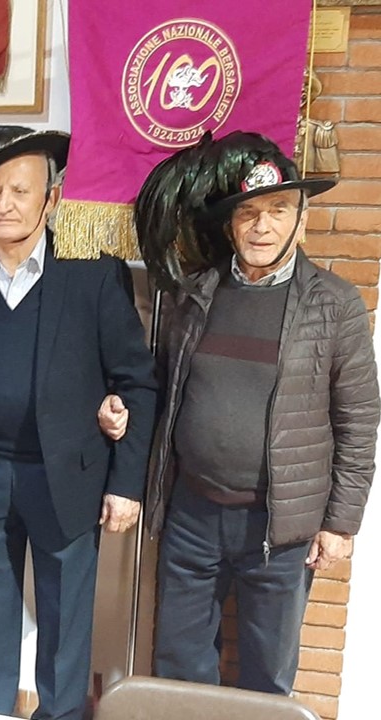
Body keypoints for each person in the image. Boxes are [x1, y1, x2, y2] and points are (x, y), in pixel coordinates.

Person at [0, 123, 158, 718]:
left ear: (50, 199)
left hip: (66, 479)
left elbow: (136, 381)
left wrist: (126, 484)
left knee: (64, 626)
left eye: (20, 191)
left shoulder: (92, 274)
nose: (4, 204)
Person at [129, 131, 379, 694]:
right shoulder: (196, 294)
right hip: (192, 515)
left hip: (280, 526)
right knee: (179, 667)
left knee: (267, 674)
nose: (262, 226)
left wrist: (340, 523)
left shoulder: (334, 304)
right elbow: (166, 391)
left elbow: (359, 420)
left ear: (300, 221)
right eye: (248, 213)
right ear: (230, 225)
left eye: (277, 210)